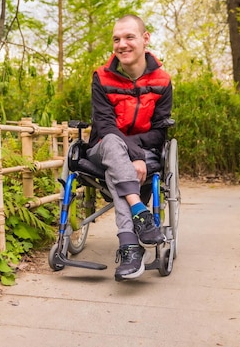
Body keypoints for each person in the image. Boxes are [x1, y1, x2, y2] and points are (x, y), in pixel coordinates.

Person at [86, 14, 173, 281]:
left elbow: (160, 131)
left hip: (142, 153)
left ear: (145, 39)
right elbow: (105, 126)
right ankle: (140, 211)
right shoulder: (101, 77)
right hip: (103, 148)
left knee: (118, 167)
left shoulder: (162, 81)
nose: (121, 44)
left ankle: (129, 246)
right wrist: (135, 157)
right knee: (112, 141)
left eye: (129, 37)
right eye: (116, 39)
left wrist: (136, 153)